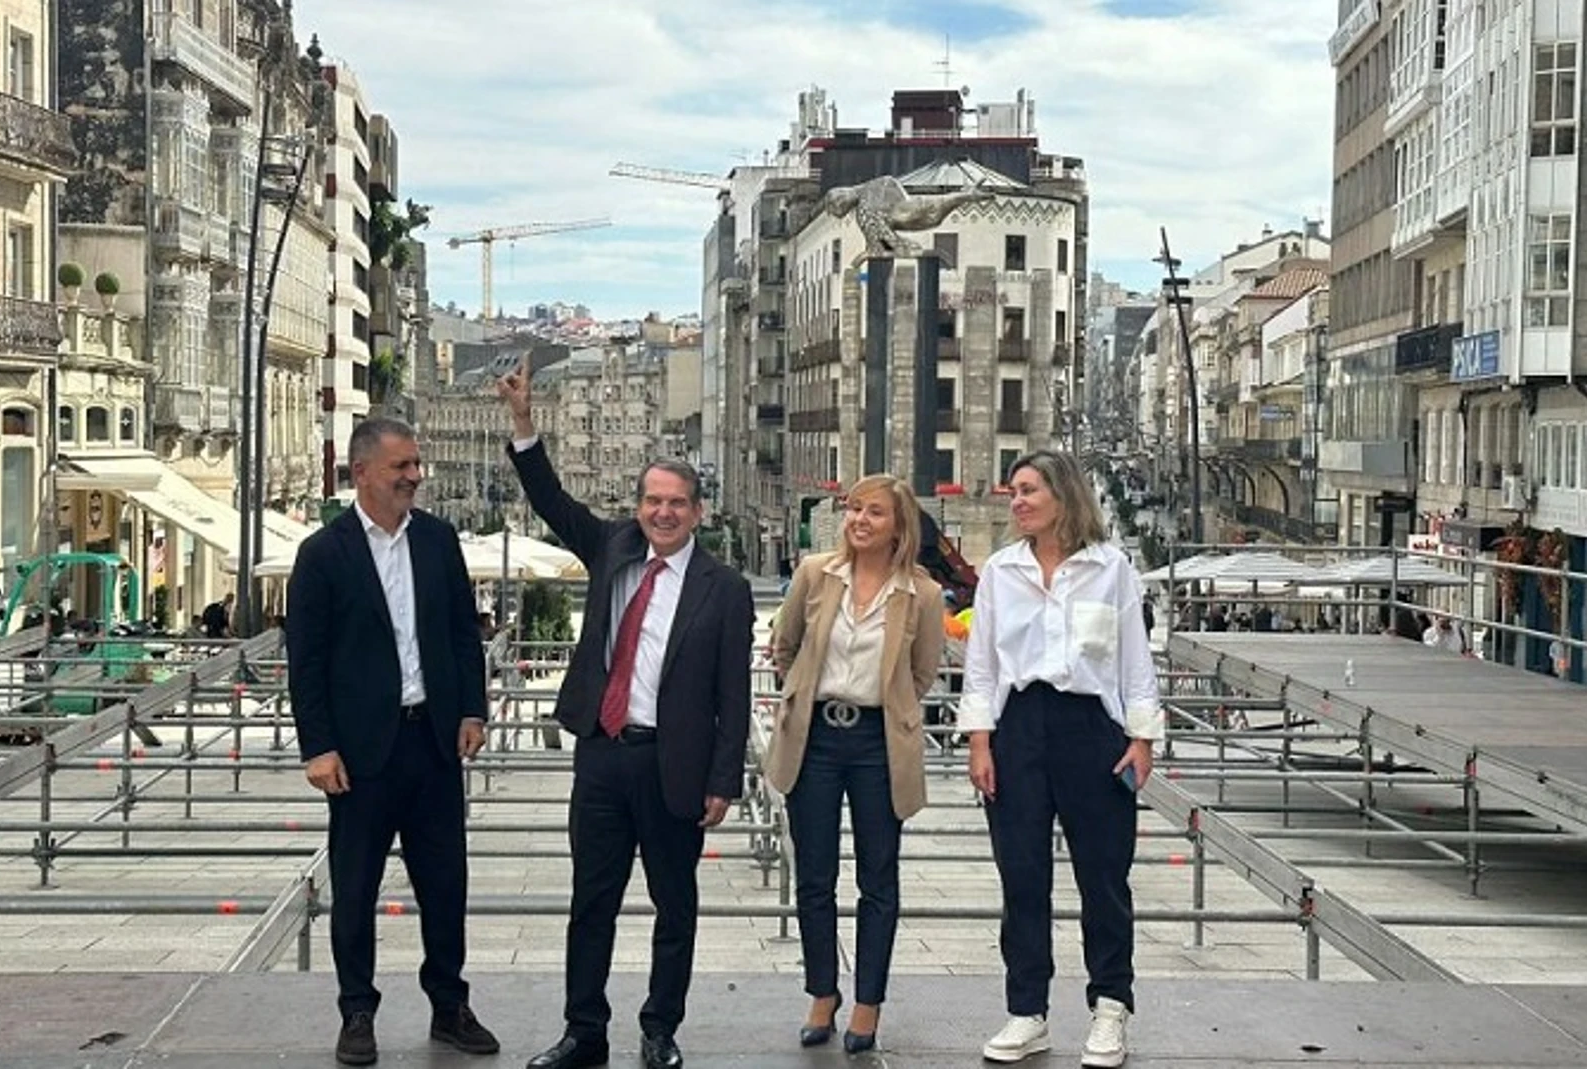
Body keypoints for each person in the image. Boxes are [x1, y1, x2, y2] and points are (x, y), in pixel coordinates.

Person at [497, 357, 753, 1069]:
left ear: (696, 511)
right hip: (604, 757)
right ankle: (584, 1030)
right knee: (592, 903)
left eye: (676, 503)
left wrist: (724, 781)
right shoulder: (612, 546)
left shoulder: (723, 588)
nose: (662, 513)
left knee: (675, 909)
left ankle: (660, 1028)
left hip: (674, 766)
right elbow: (550, 499)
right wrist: (523, 421)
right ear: (637, 505)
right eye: (652, 501)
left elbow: (734, 694)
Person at [285, 418, 501, 1066]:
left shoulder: (437, 541)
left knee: (446, 884)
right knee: (354, 888)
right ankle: (357, 1010)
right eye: (400, 466)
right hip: (359, 754)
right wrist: (317, 747)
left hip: (433, 744)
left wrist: (472, 708)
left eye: (416, 464)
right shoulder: (323, 555)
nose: (414, 475)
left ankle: (449, 1005)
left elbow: (465, 633)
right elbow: (307, 661)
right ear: (361, 473)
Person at [959, 449, 1162, 1069]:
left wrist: (1142, 738)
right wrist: (979, 741)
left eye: (1028, 490)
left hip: (1091, 728)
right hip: (1019, 728)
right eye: (1013, 491)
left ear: (1063, 496)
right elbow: (983, 664)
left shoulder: (1112, 570)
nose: (1016, 501)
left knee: (1103, 878)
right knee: (1022, 878)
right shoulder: (1000, 571)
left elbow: (1134, 658)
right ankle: (1027, 1011)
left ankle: (1109, 1009)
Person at [767, 474, 947, 1054]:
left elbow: (921, 675)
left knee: (879, 880)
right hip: (815, 737)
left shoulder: (921, 593)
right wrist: (801, 693)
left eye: (874, 512)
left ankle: (868, 1003)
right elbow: (785, 645)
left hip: (877, 743)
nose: (859, 520)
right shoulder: (816, 574)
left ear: (899, 526)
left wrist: (886, 708)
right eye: (853, 510)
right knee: (814, 876)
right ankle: (823, 991)